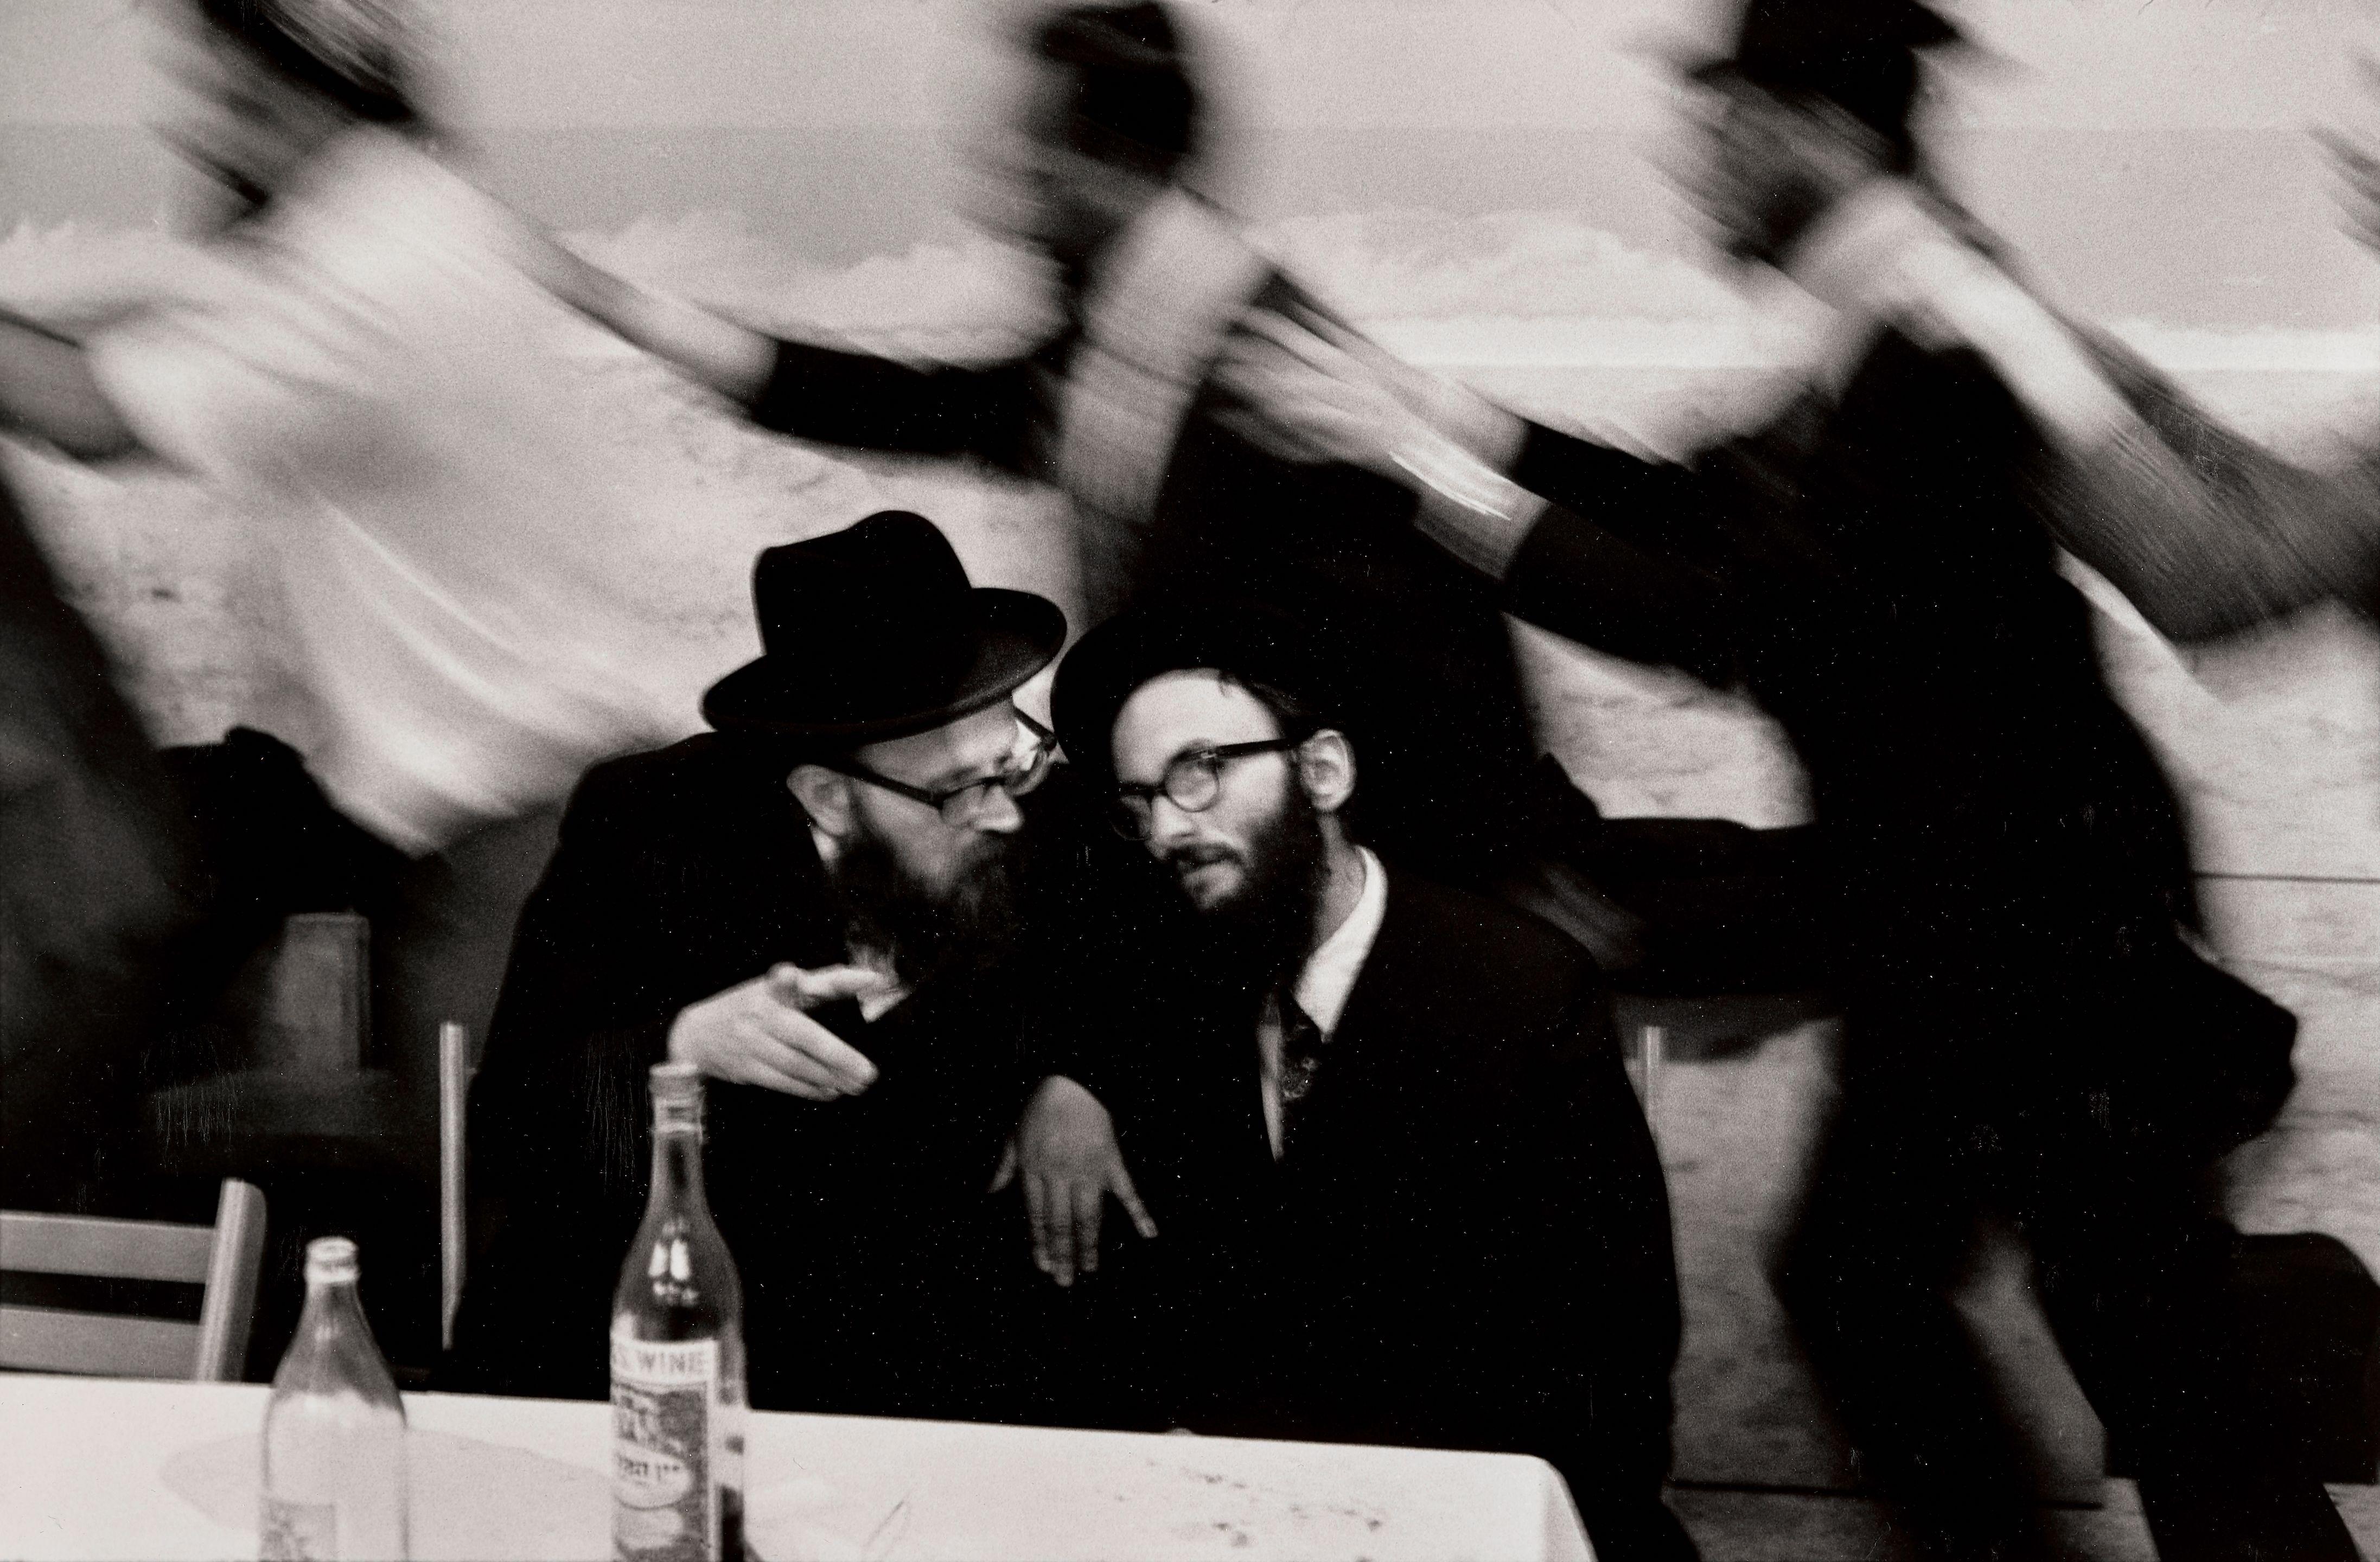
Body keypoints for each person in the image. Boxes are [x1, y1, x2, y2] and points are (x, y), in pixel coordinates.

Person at [1213, 2, 2349, 1557]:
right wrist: (1447, 423)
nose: (1697, 167)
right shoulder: (1864, 308)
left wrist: (1429, 479)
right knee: (1913, 1293)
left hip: (2054, 936)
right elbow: (1706, 512)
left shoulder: (1937, 326)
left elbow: (1735, 613)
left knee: (2102, 1339)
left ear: (1818, 130)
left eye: (1724, 131)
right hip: (1962, 927)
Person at [1047, 603, 1694, 1562]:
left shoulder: (1521, 990)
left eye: (1199, 771)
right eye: (1139, 802)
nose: (1167, 830)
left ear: (1323, 772)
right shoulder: (1178, 987)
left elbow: (1617, 1355)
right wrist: (1068, 1078)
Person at [447, 511, 1079, 1421]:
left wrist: (1075, 1077)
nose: (1005, 813)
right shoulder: (651, 830)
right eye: (957, 791)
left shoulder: (1015, 806)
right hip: (632, 1375)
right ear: (826, 795)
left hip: (904, 1387)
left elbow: (1133, 941)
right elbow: (515, 1119)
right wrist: (679, 1049)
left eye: (1011, 764)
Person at [0, 0, 666, 861]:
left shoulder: (360, 285)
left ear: (318, 98)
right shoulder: (428, 211)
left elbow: (93, 414)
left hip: (480, 831)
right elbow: (177, 319)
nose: (204, 138)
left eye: (241, 108)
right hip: (565, 766)